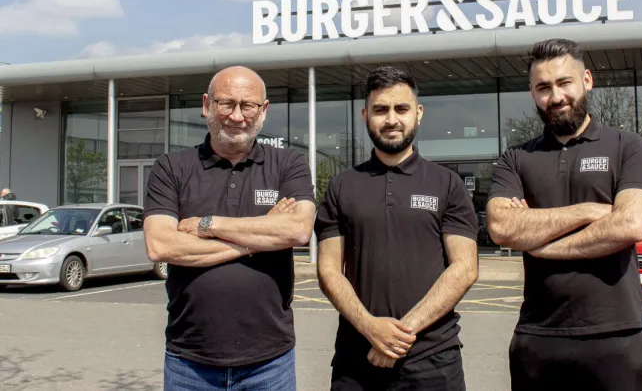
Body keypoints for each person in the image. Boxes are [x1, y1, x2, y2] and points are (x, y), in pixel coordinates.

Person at [486, 38, 642, 390]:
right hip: (538, 337)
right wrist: (588, 211)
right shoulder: (517, 158)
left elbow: (630, 224)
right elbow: (502, 226)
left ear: (586, 80)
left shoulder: (627, 147)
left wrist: (540, 243)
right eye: (543, 88)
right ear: (533, 94)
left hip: (618, 335)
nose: (556, 97)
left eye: (564, 83)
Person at [143, 65, 317, 390]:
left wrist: (210, 225)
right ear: (207, 105)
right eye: (226, 103)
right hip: (189, 363)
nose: (237, 116)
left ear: (263, 110)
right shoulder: (171, 168)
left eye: (247, 105)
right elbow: (161, 245)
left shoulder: (288, 165)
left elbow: (297, 231)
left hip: (269, 364)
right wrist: (262, 233)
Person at [315, 65, 479, 390]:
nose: (391, 119)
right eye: (380, 109)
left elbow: (465, 267)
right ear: (365, 115)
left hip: (433, 361)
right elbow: (329, 270)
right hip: (356, 360)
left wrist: (400, 334)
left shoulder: (447, 184)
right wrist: (370, 329)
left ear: (418, 113)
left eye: (401, 108)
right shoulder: (342, 186)